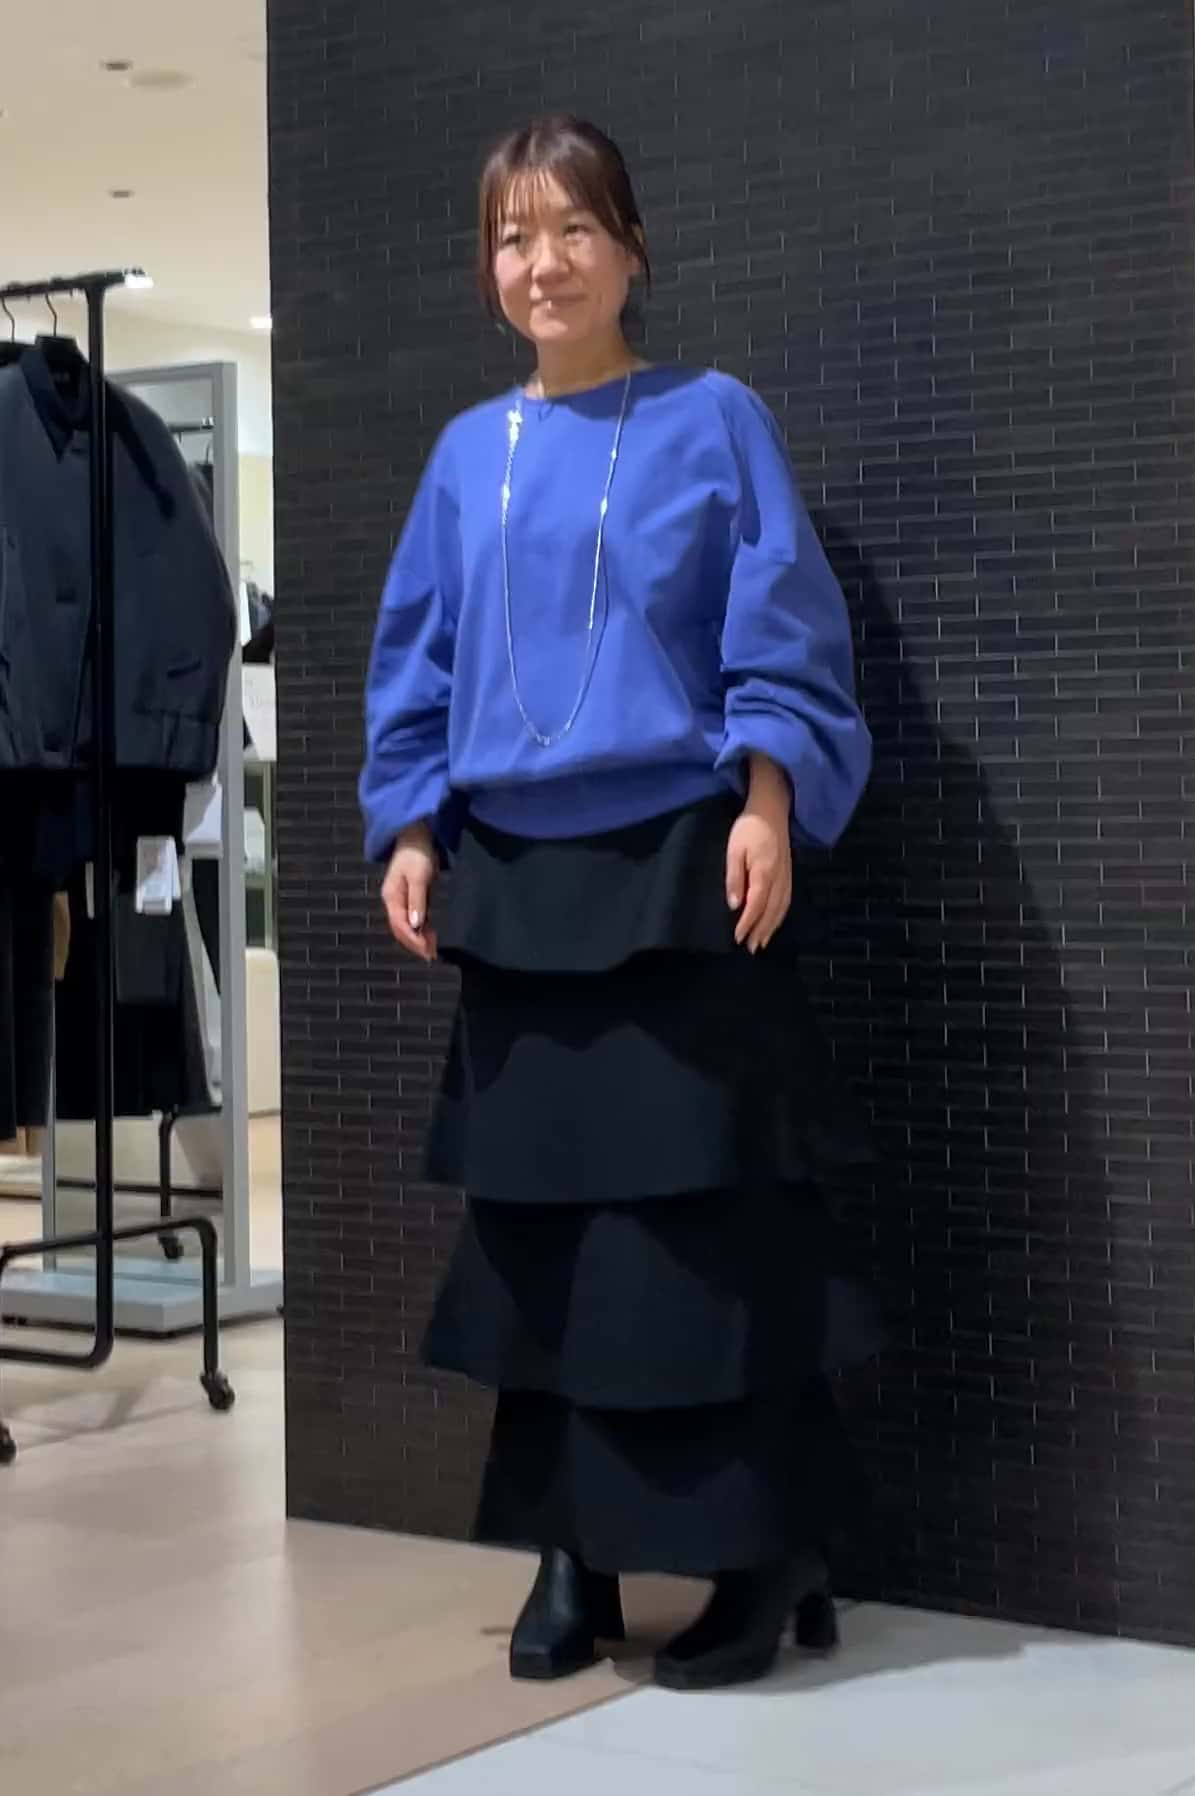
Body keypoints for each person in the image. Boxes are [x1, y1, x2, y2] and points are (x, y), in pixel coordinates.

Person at [359, 113, 881, 1693]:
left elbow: (780, 619)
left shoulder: (712, 418)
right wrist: (409, 825)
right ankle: (570, 1557)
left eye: (571, 229)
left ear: (630, 248)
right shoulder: (466, 455)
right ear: (488, 267)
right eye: (513, 237)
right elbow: (417, 656)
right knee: (546, 1246)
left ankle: (760, 1553)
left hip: (679, 872)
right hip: (514, 896)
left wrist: (769, 800)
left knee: (701, 1235)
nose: (543, 263)